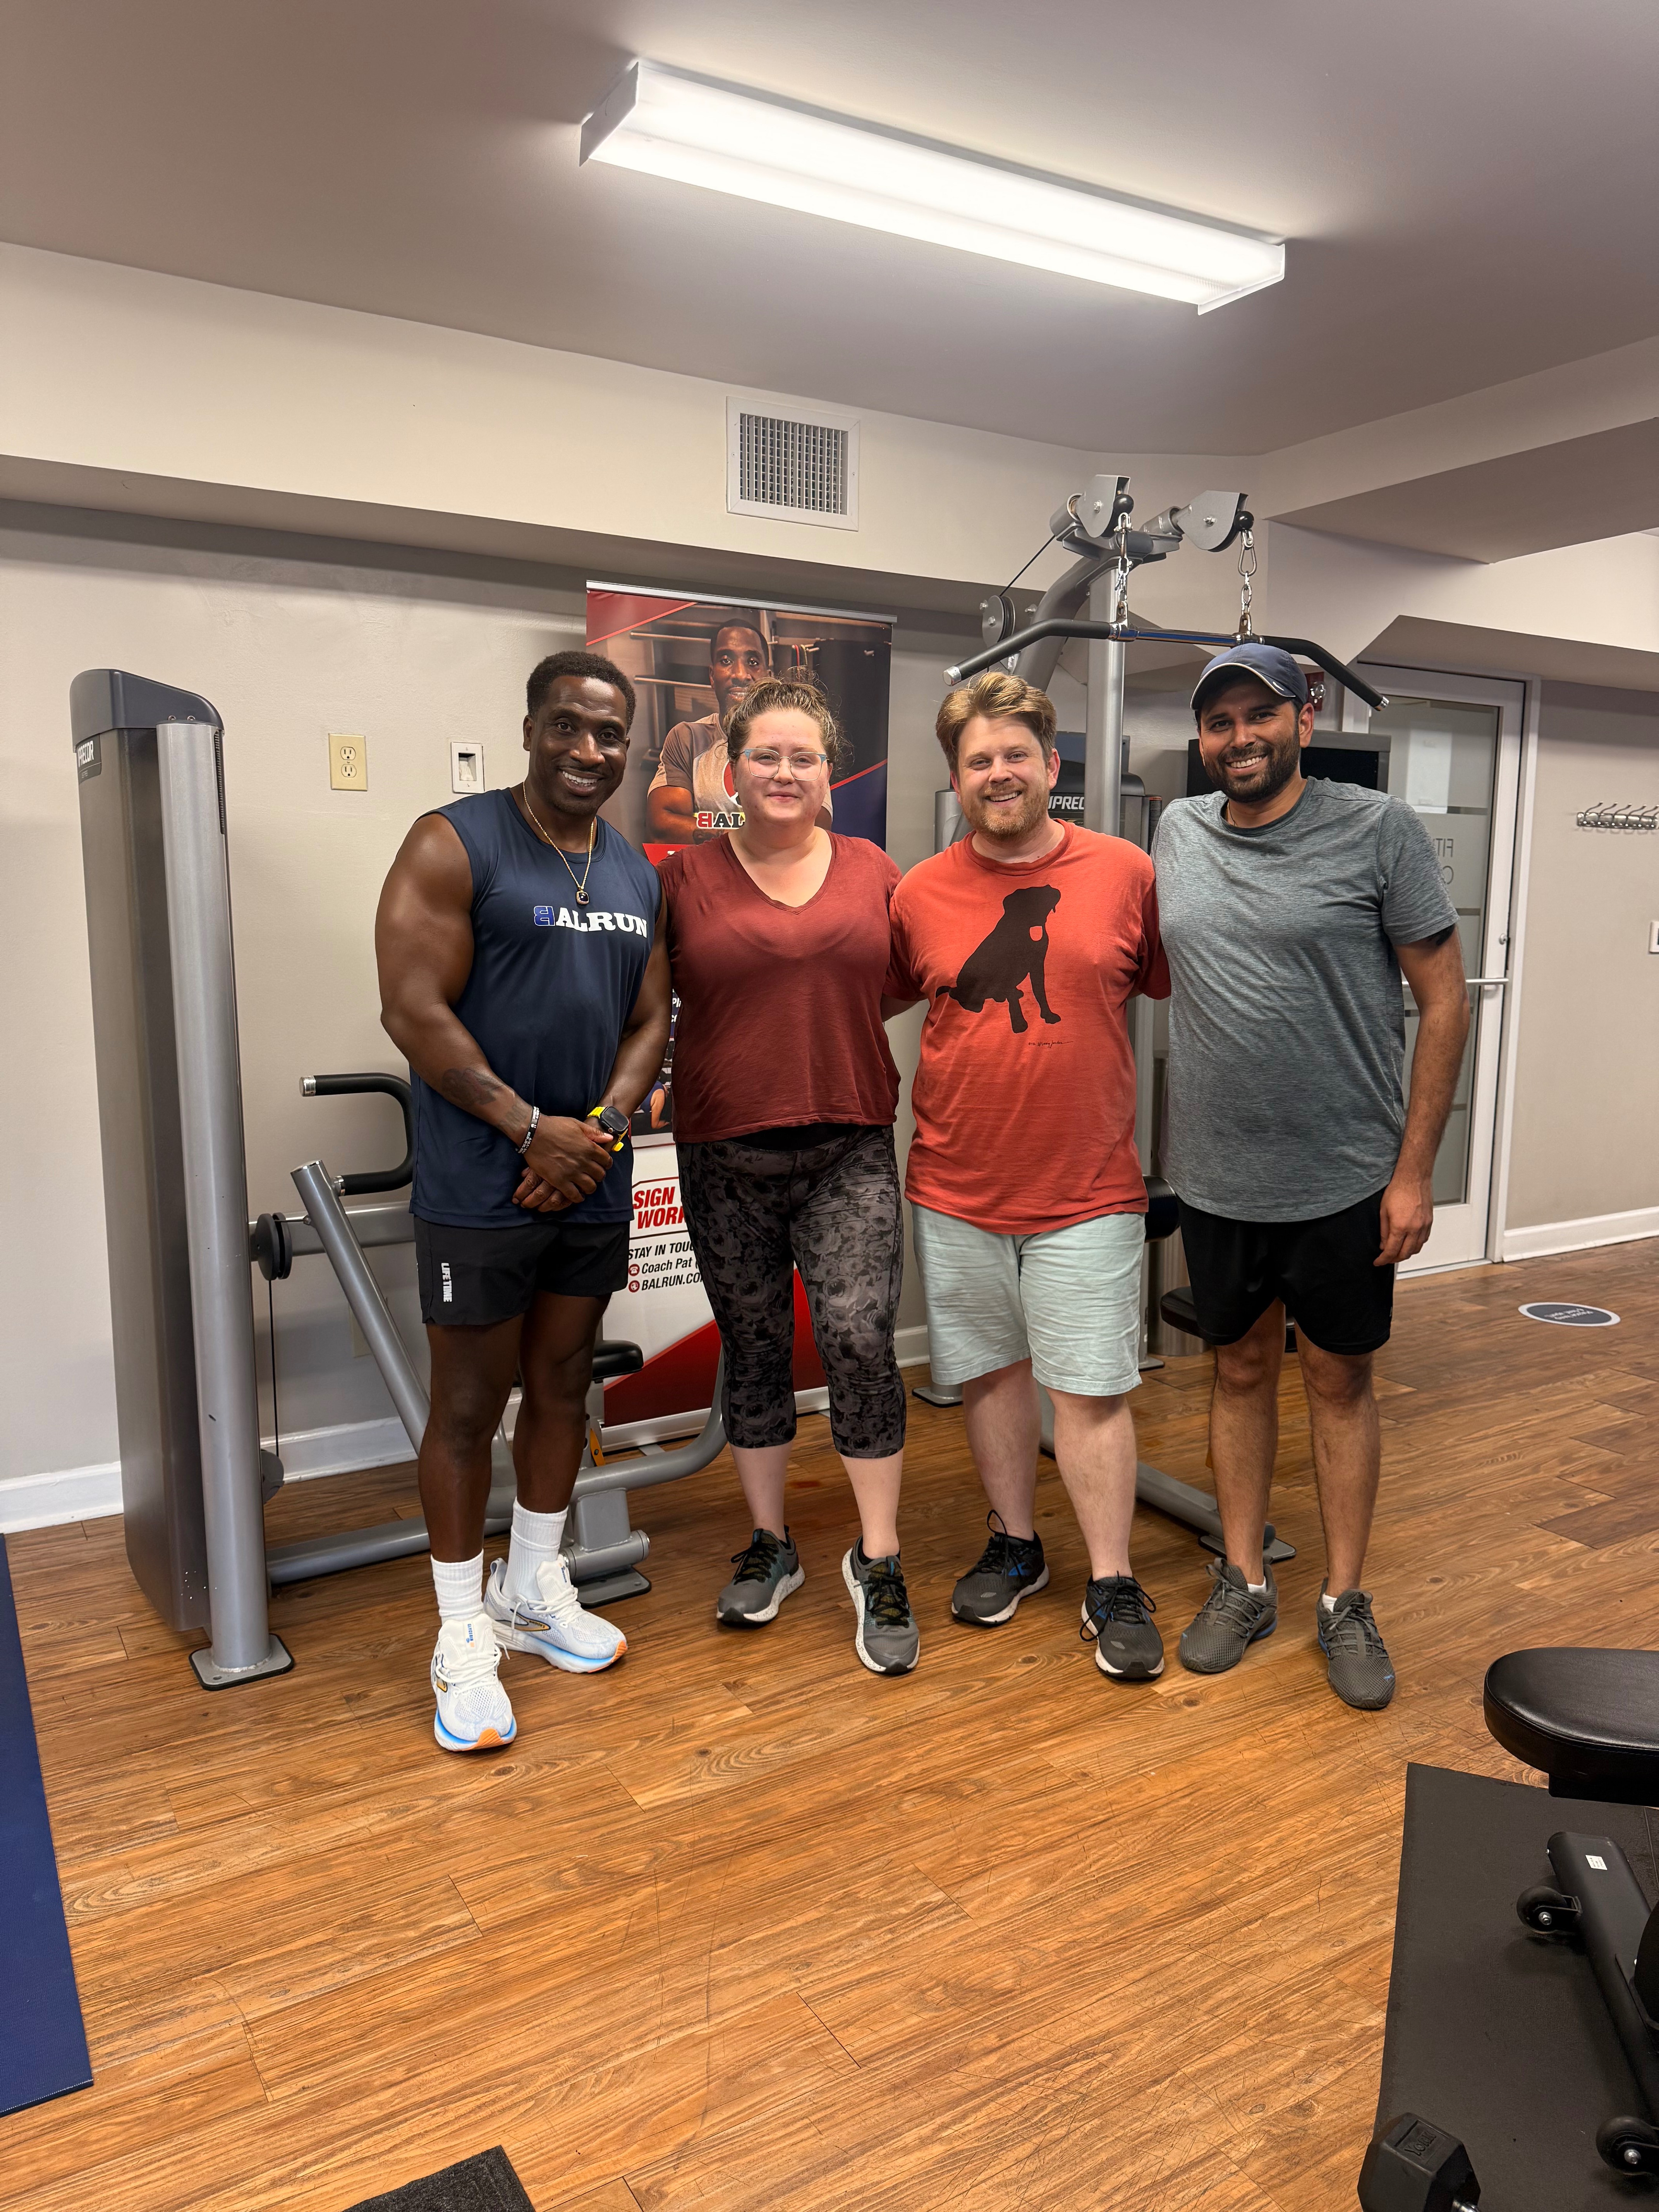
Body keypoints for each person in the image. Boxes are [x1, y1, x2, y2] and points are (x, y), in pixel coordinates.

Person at [1154, 642, 1470, 1711]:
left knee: (1338, 1381)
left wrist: (1413, 1170)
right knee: (1235, 1373)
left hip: (1345, 1174)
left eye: (1257, 716)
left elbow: (1444, 999)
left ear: (1303, 713)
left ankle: (1343, 1599)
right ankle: (1241, 1581)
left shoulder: (1378, 831)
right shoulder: (1175, 829)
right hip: (1213, 1173)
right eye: (1217, 723)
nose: (1237, 739)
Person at [376, 650, 672, 1752]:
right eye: (568, 727)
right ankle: (462, 1634)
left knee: (561, 1388)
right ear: (532, 727)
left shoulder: (634, 869)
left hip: (588, 1174)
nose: (590, 751)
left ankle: (534, 1590)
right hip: (479, 1180)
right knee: (465, 1407)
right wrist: (525, 1126)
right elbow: (411, 1007)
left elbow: (651, 1019)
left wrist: (592, 1133)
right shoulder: (454, 841)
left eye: (609, 734)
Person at [884, 669, 1170, 1685]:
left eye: (1015, 756)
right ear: (956, 779)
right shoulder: (917, 894)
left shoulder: (1127, 871)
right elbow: (880, 1005)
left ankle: (1110, 1580)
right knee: (993, 1381)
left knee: (1089, 1390)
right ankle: (1014, 1542)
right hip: (955, 1184)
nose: (997, 774)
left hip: (1087, 1185)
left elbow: (1169, 988)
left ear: (1051, 766)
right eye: (977, 762)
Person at [658, 677, 916, 1675]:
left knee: (856, 1339)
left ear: (828, 776)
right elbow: (648, 1004)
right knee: (755, 1346)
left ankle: (878, 1557)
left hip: (848, 1140)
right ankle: (772, 1545)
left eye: (803, 756)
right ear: (731, 768)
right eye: (765, 754)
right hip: (724, 1148)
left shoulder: (873, 870)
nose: (783, 771)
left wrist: (816, 1042)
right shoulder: (683, 878)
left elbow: (894, 983)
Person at [646, 617, 833, 846]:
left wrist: (726, 840)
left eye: (753, 662)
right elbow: (664, 827)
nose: (740, 674)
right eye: (726, 661)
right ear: (712, 675)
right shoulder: (687, 738)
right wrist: (740, 843)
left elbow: (813, 829)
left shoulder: (798, 737)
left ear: (768, 674)